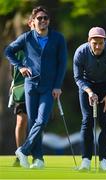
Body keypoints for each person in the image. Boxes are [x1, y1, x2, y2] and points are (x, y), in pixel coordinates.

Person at [5, 6, 67, 169]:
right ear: (33, 21)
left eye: (45, 18)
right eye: (39, 18)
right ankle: (38, 159)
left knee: (42, 120)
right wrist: (20, 66)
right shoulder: (26, 38)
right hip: (30, 86)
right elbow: (9, 51)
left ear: (49, 21)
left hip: (48, 88)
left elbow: (62, 64)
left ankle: (24, 151)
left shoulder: (58, 38)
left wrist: (58, 86)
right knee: (33, 123)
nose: (43, 21)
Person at [73, 27, 106, 171]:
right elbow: (77, 77)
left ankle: (104, 162)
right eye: (94, 43)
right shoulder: (80, 52)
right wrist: (89, 92)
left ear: (105, 42)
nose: (97, 46)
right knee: (87, 121)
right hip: (86, 85)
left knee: (105, 123)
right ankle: (86, 161)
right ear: (89, 41)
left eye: (100, 43)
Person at [8, 15, 35, 167]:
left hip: (38, 87)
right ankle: (20, 154)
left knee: (37, 122)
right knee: (21, 121)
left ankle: (35, 155)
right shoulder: (19, 44)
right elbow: (13, 69)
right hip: (21, 88)